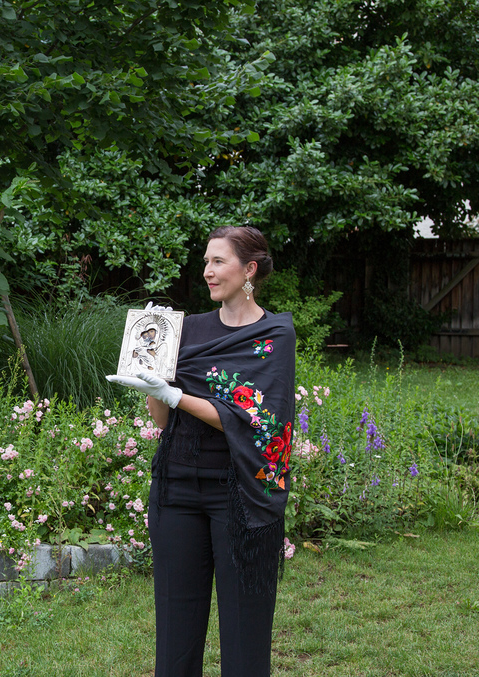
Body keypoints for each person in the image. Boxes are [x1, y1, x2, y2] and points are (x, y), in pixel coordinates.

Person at [108, 225, 295, 677]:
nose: (207, 271)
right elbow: (163, 419)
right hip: (177, 488)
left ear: (249, 269)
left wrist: (176, 396)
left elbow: (258, 418)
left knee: (245, 631)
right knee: (175, 632)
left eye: (218, 261)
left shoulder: (274, 335)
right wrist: (152, 375)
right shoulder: (187, 330)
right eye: (206, 262)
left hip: (241, 495)